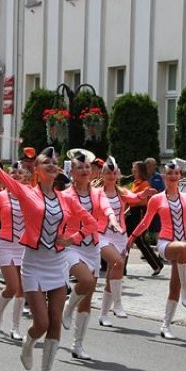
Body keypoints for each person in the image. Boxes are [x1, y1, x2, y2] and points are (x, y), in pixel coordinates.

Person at [0, 128, 97, 371]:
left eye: (54, 162)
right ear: (37, 170)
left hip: (58, 263)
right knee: (40, 322)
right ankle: (28, 342)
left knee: (54, 322)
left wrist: (72, 239)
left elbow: (91, 223)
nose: (52, 164)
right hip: (34, 263)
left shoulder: (67, 198)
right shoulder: (26, 193)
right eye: (46, 162)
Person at [127, 158, 186, 339]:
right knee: (183, 248)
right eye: (169, 173)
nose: (173, 176)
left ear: (180, 175)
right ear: (164, 175)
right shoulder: (157, 199)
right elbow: (145, 222)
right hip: (166, 243)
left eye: (176, 173)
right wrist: (132, 238)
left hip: (185, 242)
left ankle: (165, 325)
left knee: (173, 286)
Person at [61, 151, 120, 360]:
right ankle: (68, 308)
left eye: (87, 167)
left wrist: (112, 219)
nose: (85, 170)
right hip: (71, 246)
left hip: (92, 246)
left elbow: (106, 207)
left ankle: (78, 345)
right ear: (72, 172)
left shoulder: (97, 192)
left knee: (87, 298)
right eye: (80, 167)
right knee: (85, 280)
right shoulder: (66, 195)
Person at [97, 157, 156, 328]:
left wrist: (143, 194)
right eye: (107, 173)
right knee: (118, 261)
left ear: (117, 175)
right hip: (102, 235)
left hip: (119, 235)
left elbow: (133, 197)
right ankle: (118, 303)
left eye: (113, 173)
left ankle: (103, 314)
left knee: (113, 274)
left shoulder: (121, 191)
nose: (110, 176)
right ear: (102, 175)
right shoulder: (97, 193)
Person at [0, 160, 30, 341]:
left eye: (20, 172)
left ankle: (15, 327)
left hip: (24, 247)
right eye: (13, 172)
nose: (17, 174)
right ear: (7, 176)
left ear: (26, 177)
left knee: (22, 288)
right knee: (13, 286)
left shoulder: (29, 196)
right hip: (6, 245)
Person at [125, 160, 164, 276]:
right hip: (132, 212)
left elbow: (141, 200)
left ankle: (157, 264)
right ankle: (122, 267)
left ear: (140, 171)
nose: (133, 171)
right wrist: (126, 211)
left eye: (135, 169)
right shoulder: (135, 183)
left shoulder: (145, 184)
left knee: (139, 240)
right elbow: (132, 201)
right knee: (126, 239)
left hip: (140, 212)